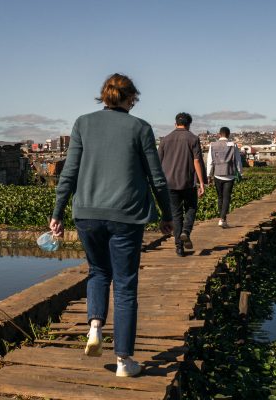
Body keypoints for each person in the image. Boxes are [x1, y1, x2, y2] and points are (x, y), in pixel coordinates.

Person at [50, 73, 173, 377]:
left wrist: (57, 212)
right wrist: (168, 215)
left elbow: (69, 173)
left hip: (86, 214)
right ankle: (123, 361)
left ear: (104, 97)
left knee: (98, 272)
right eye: (135, 98)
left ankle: (94, 327)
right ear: (130, 98)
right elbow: (157, 178)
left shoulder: (83, 123)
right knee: (126, 284)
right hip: (126, 216)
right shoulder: (140, 128)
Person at [158, 113, 206, 257]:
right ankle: (186, 231)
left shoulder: (165, 140)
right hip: (188, 182)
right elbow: (197, 161)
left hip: (169, 183)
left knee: (176, 215)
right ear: (189, 124)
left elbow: (157, 163)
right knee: (191, 208)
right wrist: (201, 182)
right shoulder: (193, 138)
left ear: (175, 123)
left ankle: (179, 247)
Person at [207, 127, 243, 228]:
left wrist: (209, 175)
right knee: (226, 197)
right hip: (229, 174)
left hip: (217, 174)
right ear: (228, 134)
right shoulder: (233, 145)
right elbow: (238, 161)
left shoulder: (212, 145)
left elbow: (210, 161)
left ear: (219, 134)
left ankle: (222, 218)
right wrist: (240, 173)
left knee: (220, 197)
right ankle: (222, 219)